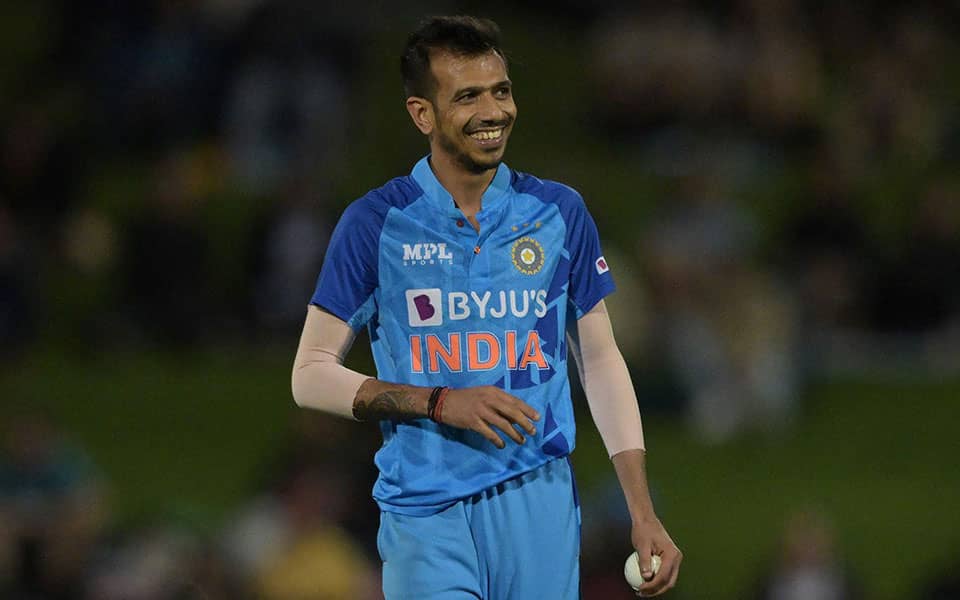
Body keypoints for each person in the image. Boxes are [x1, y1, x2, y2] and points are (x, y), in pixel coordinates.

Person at [292, 15, 681, 599]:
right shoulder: (376, 224)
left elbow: (599, 361)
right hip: (424, 508)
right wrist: (441, 403)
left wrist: (642, 511)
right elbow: (309, 375)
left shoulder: (559, 213)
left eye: (501, 91)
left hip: (540, 501)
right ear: (422, 114)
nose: (493, 111)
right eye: (468, 96)